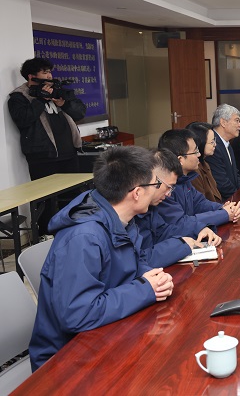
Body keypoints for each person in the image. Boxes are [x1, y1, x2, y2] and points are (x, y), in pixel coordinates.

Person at [29, 146, 174, 370]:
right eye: (155, 184)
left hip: (106, 333)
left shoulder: (121, 218)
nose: (158, 190)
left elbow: (130, 265)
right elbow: (78, 314)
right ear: (136, 193)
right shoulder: (84, 238)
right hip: (66, 360)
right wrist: (145, 289)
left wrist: (151, 276)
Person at [8, 57, 87, 237]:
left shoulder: (57, 90)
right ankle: (46, 235)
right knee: (45, 201)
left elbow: (80, 112)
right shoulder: (19, 97)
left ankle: (74, 232)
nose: (50, 76)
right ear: (31, 76)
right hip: (42, 157)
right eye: (45, 72)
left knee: (73, 197)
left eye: (50, 72)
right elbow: (23, 119)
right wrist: (40, 99)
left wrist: (63, 103)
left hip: (69, 154)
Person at [137, 149, 222, 269]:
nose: (169, 194)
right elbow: (137, 261)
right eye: (168, 187)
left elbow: (163, 232)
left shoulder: (150, 206)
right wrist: (181, 245)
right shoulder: (127, 215)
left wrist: (198, 229)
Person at [157, 129, 240, 234]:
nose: (199, 154)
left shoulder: (185, 178)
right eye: (195, 151)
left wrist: (223, 208)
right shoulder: (164, 188)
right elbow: (182, 223)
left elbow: (200, 203)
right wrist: (224, 214)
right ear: (180, 160)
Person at [206, 104, 240, 200]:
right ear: (223, 122)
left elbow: (235, 173)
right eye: (237, 120)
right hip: (223, 200)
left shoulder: (226, 142)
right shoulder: (213, 146)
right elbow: (221, 182)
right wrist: (239, 197)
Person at [186, 122, 223, 203]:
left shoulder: (205, 163)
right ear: (200, 144)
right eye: (211, 142)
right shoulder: (193, 170)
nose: (215, 144)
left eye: (214, 140)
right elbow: (201, 203)